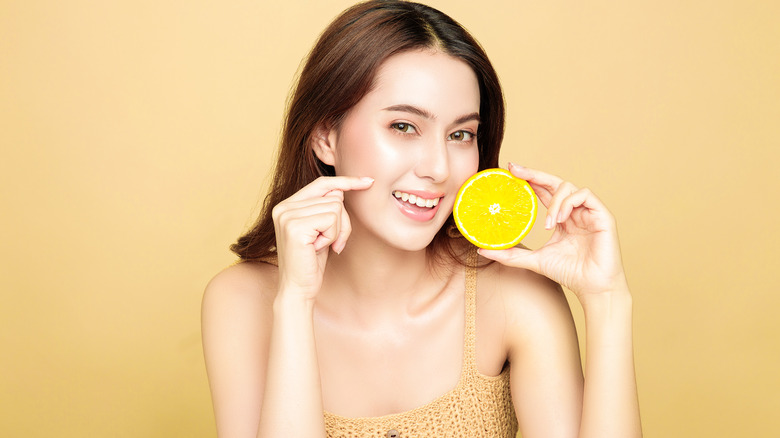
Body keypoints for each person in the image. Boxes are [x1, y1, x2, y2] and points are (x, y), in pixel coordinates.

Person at [201, 1, 641, 437]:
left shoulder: (512, 293)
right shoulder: (244, 302)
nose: (439, 168)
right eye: (404, 126)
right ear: (324, 137)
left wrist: (607, 300)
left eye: (460, 135)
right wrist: (295, 303)